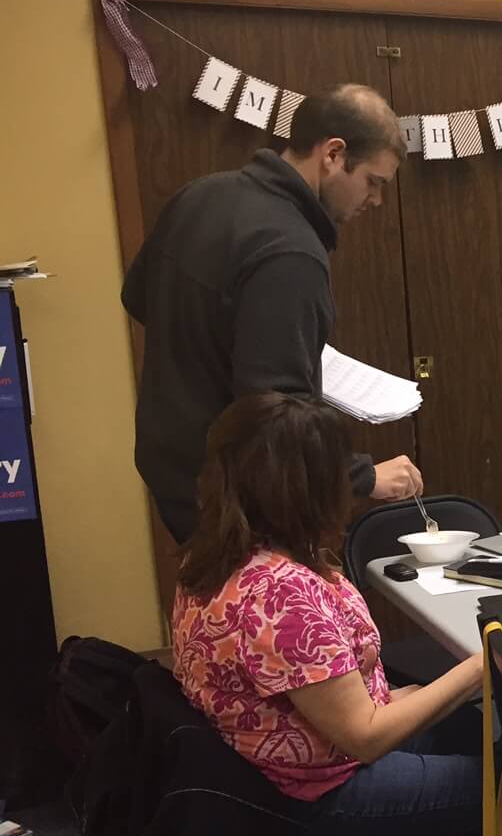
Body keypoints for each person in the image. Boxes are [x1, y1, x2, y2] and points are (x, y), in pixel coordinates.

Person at [170, 391, 502, 836]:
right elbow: (366, 736)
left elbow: (334, 702)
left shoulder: (210, 559)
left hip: (271, 767)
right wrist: (484, 665)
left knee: (486, 732)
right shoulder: (280, 596)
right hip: (315, 798)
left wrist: (453, 686)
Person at [123, 83, 423, 544]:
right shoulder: (290, 250)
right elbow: (280, 414)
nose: (376, 201)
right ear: (334, 154)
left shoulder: (199, 195)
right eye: (373, 182)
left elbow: (139, 298)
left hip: (172, 474)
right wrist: (363, 478)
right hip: (240, 503)